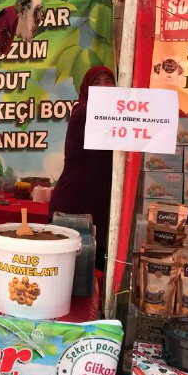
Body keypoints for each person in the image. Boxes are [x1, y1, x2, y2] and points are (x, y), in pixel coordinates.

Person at [48, 65, 116, 269]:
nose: (103, 87)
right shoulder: (83, 112)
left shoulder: (118, 116)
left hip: (101, 202)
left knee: (99, 269)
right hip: (74, 202)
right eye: (96, 83)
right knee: (70, 270)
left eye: (108, 81)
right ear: (87, 88)